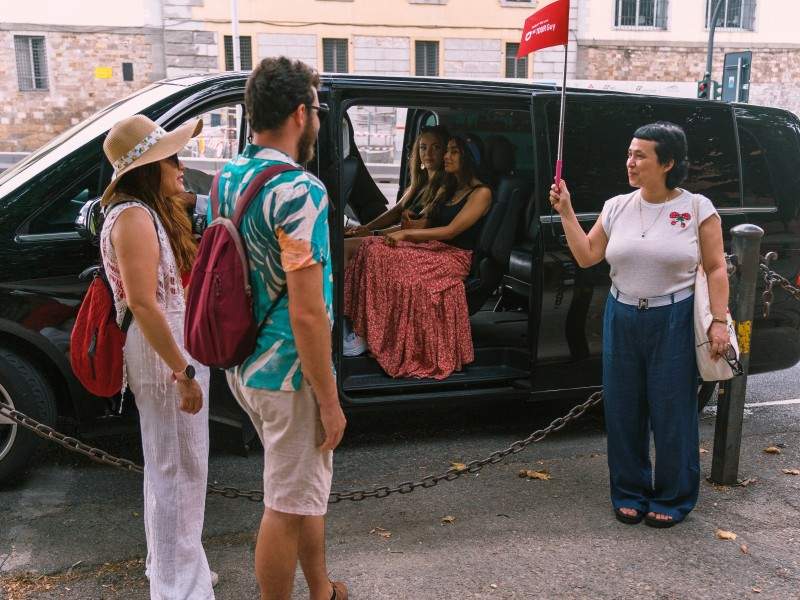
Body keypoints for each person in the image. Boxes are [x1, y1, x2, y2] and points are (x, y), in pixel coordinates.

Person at [548, 121, 730, 528]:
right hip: (623, 314)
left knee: (672, 411)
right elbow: (587, 255)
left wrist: (719, 321)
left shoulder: (698, 208)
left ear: (667, 163)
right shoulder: (617, 206)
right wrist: (566, 211)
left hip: (675, 316)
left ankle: (673, 496)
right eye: (629, 153)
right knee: (623, 408)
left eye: (640, 155)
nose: (630, 162)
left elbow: (717, 268)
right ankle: (629, 492)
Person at [212, 57, 347, 600]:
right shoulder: (300, 192)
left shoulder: (230, 176)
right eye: (316, 109)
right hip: (290, 372)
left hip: (245, 361)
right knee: (285, 506)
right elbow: (308, 312)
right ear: (299, 113)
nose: (317, 118)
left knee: (301, 489)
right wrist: (330, 398)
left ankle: (320, 589)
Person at [99, 114, 215, 599]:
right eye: (172, 159)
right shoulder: (133, 217)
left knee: (175, 466)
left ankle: (174, 565)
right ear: (148, 167)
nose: (181, 167)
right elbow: (144, 302)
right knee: (177, 469)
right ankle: (177, 586)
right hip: (162, 350)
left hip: (164, 345)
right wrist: (183, 370)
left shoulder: (141, 213)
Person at [344, 136, 492, 379]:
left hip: (454, 257)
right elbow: (425, 219)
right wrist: (374, 230)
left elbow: (451, 231)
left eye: (453, 152)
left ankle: (369, 332)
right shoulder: (452, 187)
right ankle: (364, 326)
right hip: (434, 249)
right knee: (372, 247)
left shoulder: (481, 193)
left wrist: (406, 234)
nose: (446, 156)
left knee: (380, 253)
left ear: (468, 158)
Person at [343, 124, 449, 262]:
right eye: (423, 147)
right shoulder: (419, 183)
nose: (428, 154)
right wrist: (365, 228)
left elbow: (414, 227)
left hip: (417, 245)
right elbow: (395, 211)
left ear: (445, 152)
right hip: (402, 238)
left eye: (436, 147)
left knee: (346, 247)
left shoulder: (444, 187)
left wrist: (374, 233)